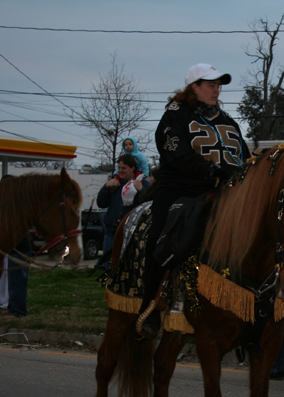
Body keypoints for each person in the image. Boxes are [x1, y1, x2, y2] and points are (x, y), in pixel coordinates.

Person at [138, 63, 250, 339]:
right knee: (159, 238)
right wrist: (212, 170)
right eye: (211, 84)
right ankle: (149, 307)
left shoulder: (226, 119)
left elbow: (245, 156)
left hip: (225, 192)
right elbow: (175, 153)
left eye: (218, 85)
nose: (217, 89)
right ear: (194, 88)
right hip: (181, 189)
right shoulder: (174, 116)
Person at [97, 153, 150, 262]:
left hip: (133, 235)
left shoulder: (143, 184)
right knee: (110, 267)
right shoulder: (114, 184)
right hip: (112, 233)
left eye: (124, 168)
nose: (120, 171)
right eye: (119, 168)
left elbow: (151, 205)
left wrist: (141, 190)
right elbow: (101, 203)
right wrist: (106, 187)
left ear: (132, 168)